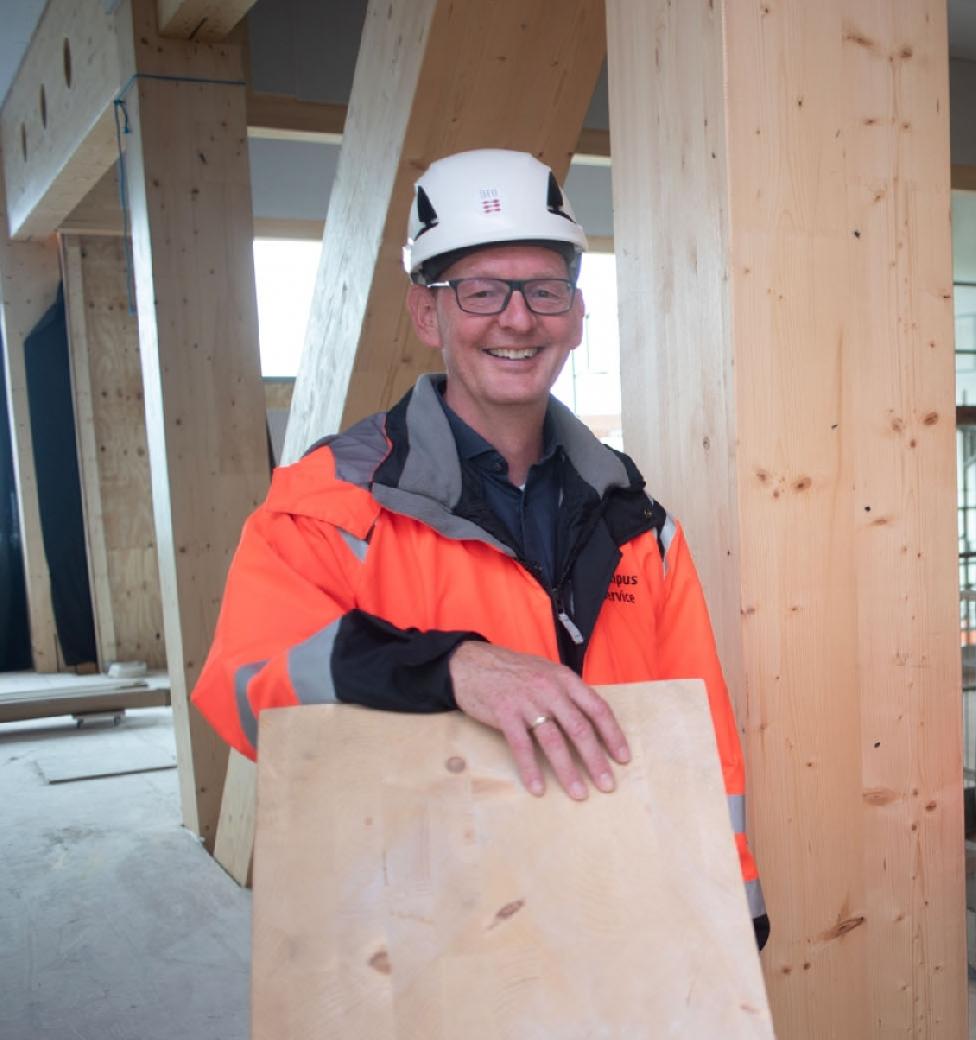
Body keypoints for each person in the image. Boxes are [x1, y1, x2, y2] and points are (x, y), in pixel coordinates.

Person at [193, 149, 768, 945]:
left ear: (574, 312)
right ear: (428, 314)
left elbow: (703, 748)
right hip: (419, 948)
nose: (519, 318)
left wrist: (734, 910)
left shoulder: (638, 525)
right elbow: (246, 689)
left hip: (615, 925)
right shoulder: (332, 504)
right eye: (481, 291)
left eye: (544, 289)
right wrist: (450, 666)